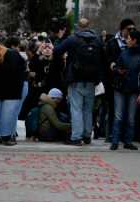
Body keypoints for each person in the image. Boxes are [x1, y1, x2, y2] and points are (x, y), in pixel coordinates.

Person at [54, 18, 106, 146]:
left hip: (75, 79)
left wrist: (60, 38)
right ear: (89, 26)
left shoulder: (73, 39)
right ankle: (87, 135)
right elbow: (104, 59)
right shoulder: (97, 40)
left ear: (78, 26)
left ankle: (76, 137)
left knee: (76, 108)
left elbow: (57, 51)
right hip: (92, 80)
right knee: (88, 109)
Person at [110, 30, 140, 151]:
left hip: (134, 89)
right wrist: (117, 70)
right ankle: (115, 141)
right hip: (121, 87)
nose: (126, 40)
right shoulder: (124, 53)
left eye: (129, 38)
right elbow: (117, 67)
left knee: (130, 117)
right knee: (119, 116)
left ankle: (127, 141)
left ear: (134, 40)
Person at [0, 40, 26, 146]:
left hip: (12, 89)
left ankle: (8, 136)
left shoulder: (11, 54)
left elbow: (11, 73)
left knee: (9, 114)